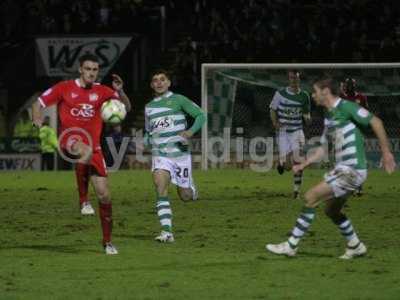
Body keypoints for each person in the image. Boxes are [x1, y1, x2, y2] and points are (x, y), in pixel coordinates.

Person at [266, 76, 396, 259]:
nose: (312, 95)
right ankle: (355, 245)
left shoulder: (346, 107)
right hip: (345, 170)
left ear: (325, 92)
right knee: (331, 211)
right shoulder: (329, 116)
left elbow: (376, 122)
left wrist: (386, 153)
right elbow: (323, 149)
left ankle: (291, 245)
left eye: (315, 92)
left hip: (351, 170)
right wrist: (303, 164)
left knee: (311, 197)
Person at [32, 53, 131, 255]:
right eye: (87, 69)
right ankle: (83, 200)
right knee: (84, 152)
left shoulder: (103, 91)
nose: (91, 73)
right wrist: (37, 117)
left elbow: (126, 108)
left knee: (104, 195)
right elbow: (39, 102)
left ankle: (107, 242)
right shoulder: (64, 87)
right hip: (70, 138)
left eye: (95, 70)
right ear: (80, 69)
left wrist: (120, 92)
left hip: (95, 147)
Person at [144, 69, 206, 243]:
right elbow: (148, 131)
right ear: (152, 85)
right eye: (155, 80)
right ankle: (167, 232)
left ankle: (190, 187)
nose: (159, 83)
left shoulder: (179, 100)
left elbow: (201, 115)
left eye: (162, 79)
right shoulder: (149, 108)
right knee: (160, 188)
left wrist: (190, 131)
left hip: (180, 155)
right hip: (160, 155)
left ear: (169, 83)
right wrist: (146, 141)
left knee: (185, 196)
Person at [269, 70, 311, 199]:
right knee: (288, 167)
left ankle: (296, 191)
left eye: (296, 78)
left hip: (297, 131)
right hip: (283, 133)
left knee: (298, 160)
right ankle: (281, 164)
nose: (294, 81)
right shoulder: (280, 94)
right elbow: (272, 109)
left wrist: (308, 118)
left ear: (299, 79)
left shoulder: (304, 96)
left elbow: (306, 113)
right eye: (292, 78)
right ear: (289, 79)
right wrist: (275, 122)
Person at [340, 77, 368, 196]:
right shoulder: (342, 98)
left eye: (351, 84)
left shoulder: (361, 97)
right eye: (348, 84)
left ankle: (359, 187)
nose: (350, 86)